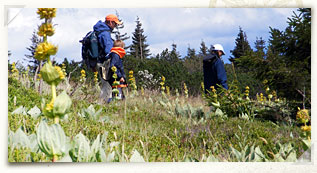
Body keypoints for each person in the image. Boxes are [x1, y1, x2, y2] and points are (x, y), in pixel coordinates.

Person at [93, 14, 122, 102]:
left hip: (99, 61)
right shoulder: (105, 33)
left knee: (106, 84)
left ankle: (104, 104)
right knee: (108, 85)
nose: (115, 26)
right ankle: (103, 104)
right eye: (115, 23)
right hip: (104, 62)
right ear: (110, 22)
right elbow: (108, 50)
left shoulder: (100, 30)